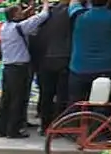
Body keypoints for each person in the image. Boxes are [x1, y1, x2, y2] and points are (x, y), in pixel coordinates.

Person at [0, 0, 50, 138]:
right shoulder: (19, 27)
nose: (22, 13)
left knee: (6, 99)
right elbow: (42, 16)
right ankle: (14, 130)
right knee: (17, 100)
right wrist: (45, 5)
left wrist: (28, 10)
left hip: (8, 68)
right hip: (19, 70)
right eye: (19, 12)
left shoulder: (4, 27)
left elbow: (19, 18)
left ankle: (1, 129)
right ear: (15, 16)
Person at [33, 0, 72, 131]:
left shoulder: (46, 13)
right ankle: (58, 125)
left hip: (45, 60)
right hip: (63, 58)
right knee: (62, 95)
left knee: (46, 94)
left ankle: (44, 125)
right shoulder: (71, 12)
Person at [67, 0, 111, 104]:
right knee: (103, 106)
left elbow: (73, 2)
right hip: (107, 69)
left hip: (79, 69)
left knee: (77, 105)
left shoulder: (78, 15)